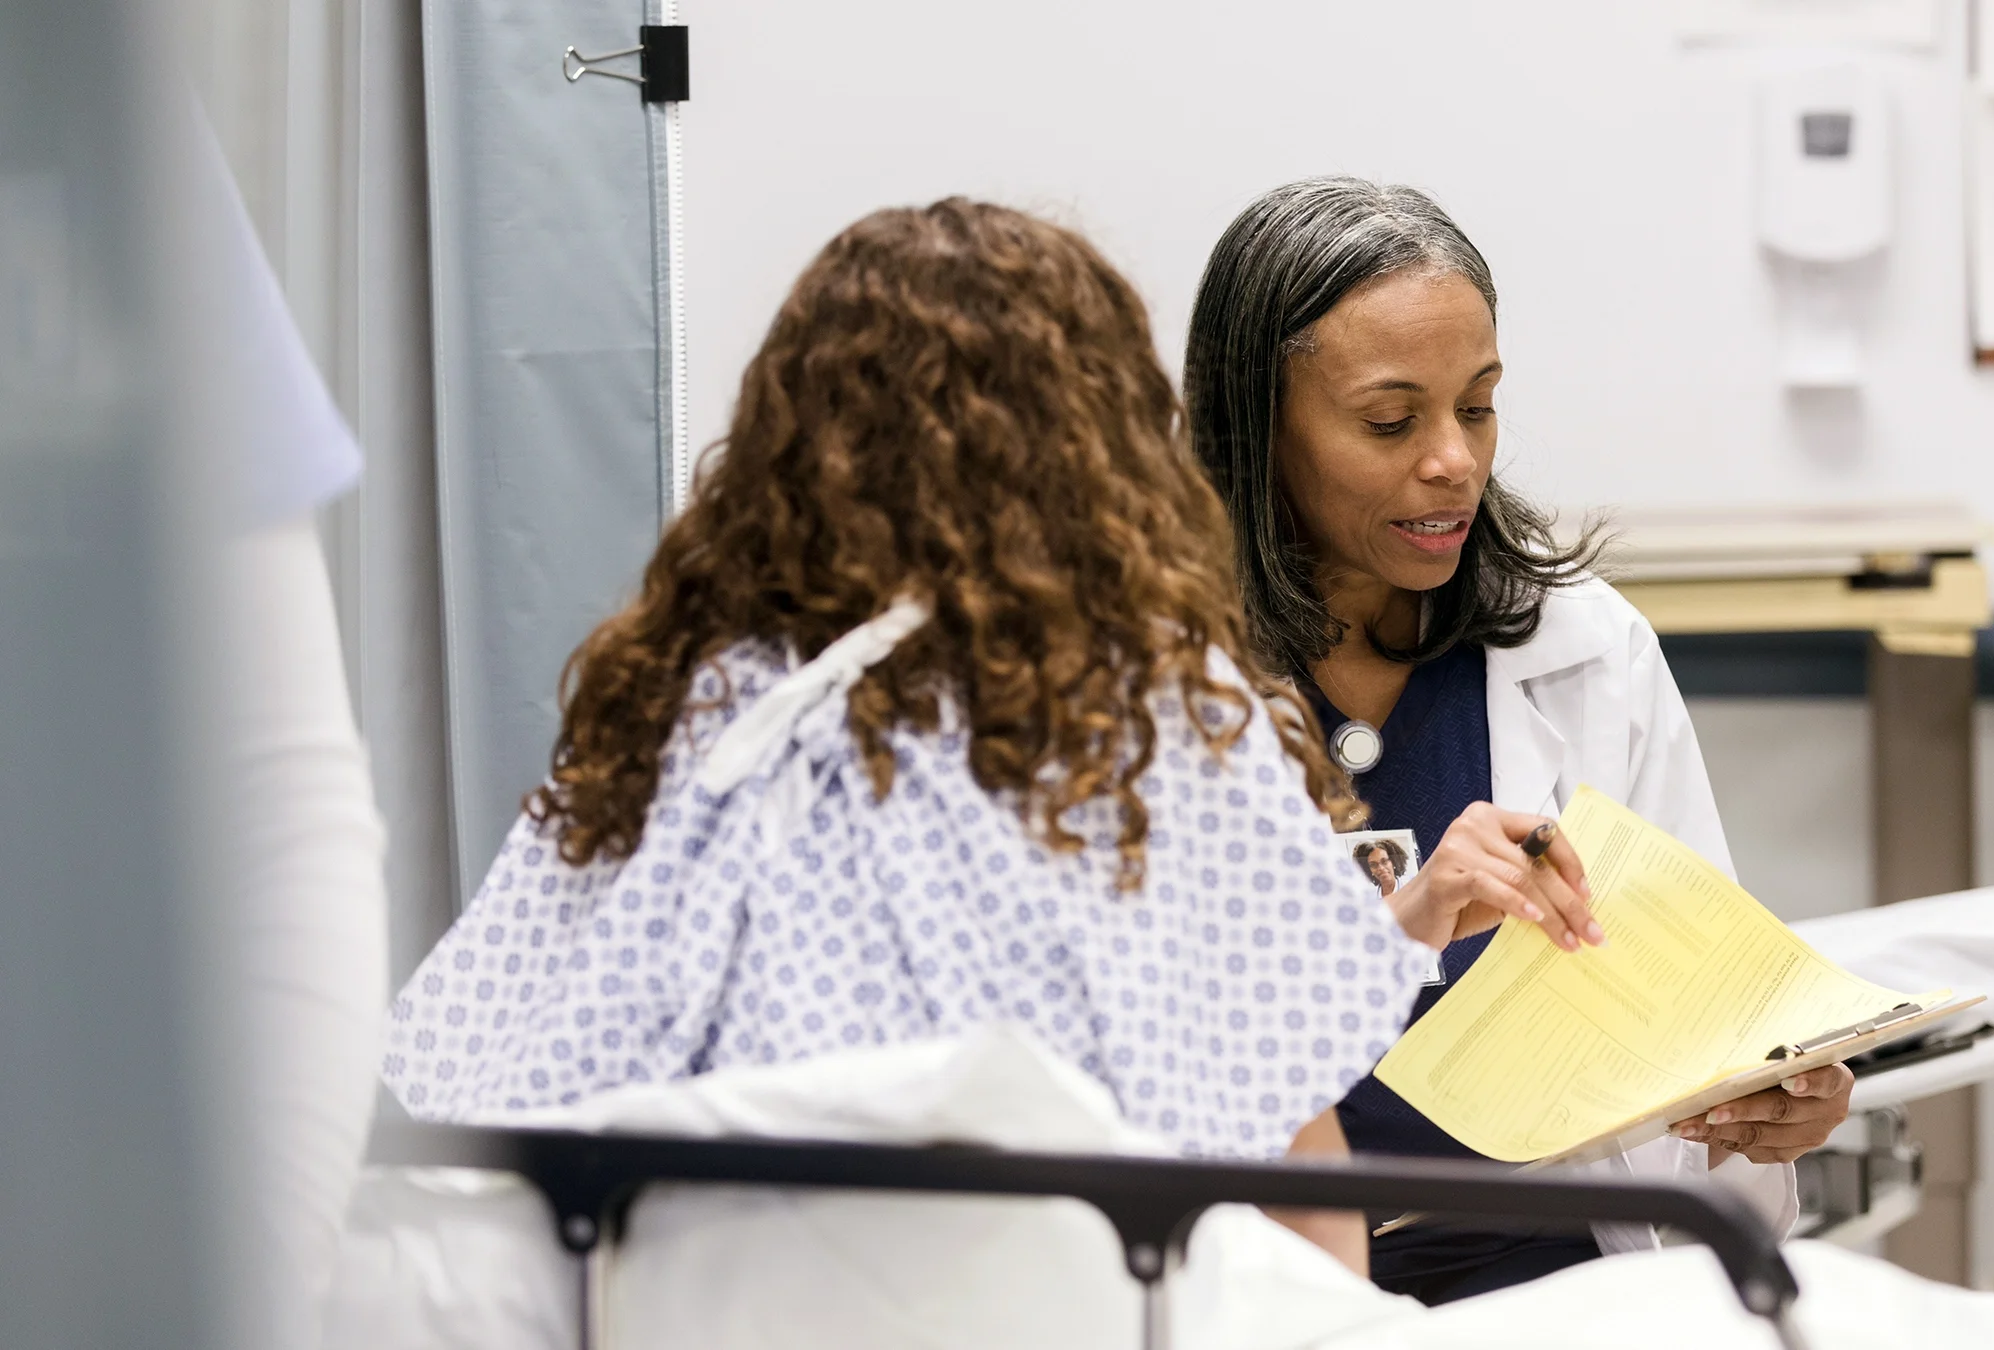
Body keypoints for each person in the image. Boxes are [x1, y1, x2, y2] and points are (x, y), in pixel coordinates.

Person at [380, 202, 1602, 1265]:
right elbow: (1302, 1198)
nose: (1451, 462)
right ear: (1106, 448)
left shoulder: (682, 709)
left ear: (789, 441)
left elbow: (460, 1101)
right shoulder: (1149, 725)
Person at [1183, 177, 1853, 1303]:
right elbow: (1137, 1072)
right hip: (1270, 1279)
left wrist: (1767, 1100)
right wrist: (1403, 927)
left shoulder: (1584, 648)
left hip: (1566, 1269)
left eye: (1478, 405)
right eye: (1391, 421)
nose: (1453, 459)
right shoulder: (1156, 689)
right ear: (1258, 431)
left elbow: (1701, 993)